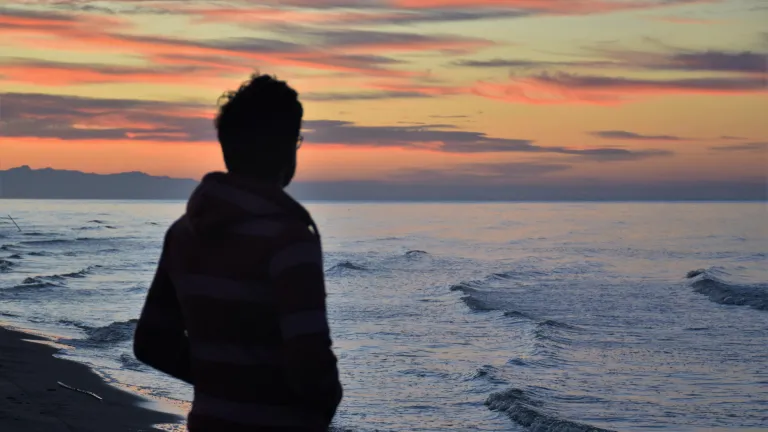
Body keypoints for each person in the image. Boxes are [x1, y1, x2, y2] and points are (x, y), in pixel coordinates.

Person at [133, 73, 343, 431]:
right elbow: (310, 363)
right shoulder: (289, 239)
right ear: (285, 148)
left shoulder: (184, 233)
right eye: (296, 140)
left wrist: (221, 380)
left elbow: (151, 343)